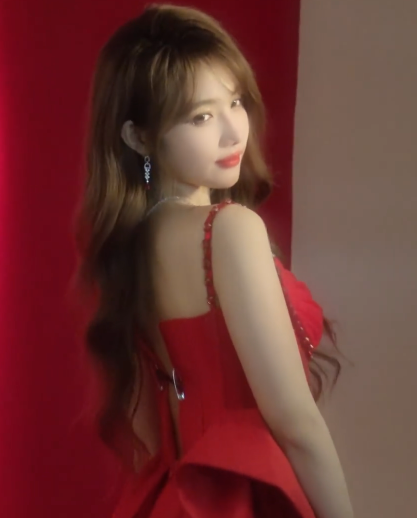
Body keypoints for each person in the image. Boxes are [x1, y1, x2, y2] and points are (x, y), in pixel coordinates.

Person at [75, 5, 354, 518]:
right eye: (201, 116)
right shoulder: (227, 230)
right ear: (139, 137)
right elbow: (295, 422)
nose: (233, 132)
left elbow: (148, 429)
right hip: (245, 496)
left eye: (235, 101)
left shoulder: (130, 247)